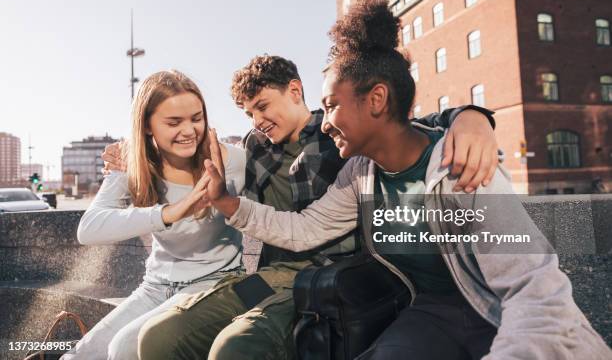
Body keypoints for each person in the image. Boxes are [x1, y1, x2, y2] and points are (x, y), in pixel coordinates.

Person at [200, 0, 611, 359]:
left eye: (332, 106)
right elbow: (305, 229)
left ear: (376, 99)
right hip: (428, 313)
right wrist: (225, 202)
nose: (323, 123)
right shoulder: (361, 174)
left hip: (496, 313)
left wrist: (470, 116)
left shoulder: (459, 167)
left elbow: (535, 294)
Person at [111, 53, 500, 359]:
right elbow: (190, 148)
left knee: (238, 347)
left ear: (295, 91)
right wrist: (131, 150)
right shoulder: (254, 147)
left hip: (327, 277)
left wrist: (470, 116)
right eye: (248, 112)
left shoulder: (339, 131)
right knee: (163, 336)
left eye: (263, 106)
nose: (257, 119)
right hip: (268, 277)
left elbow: (405, 124)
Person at [61, 70, 246, 360]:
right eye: (174, 122)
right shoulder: (132, 164)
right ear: (147, 125)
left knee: (123, 348)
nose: (189, 131)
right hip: (155, 286)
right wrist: (169, 213)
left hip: (216, 283)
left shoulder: (231, 160)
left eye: (196, 118)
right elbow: (89, 229)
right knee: (78, 356)